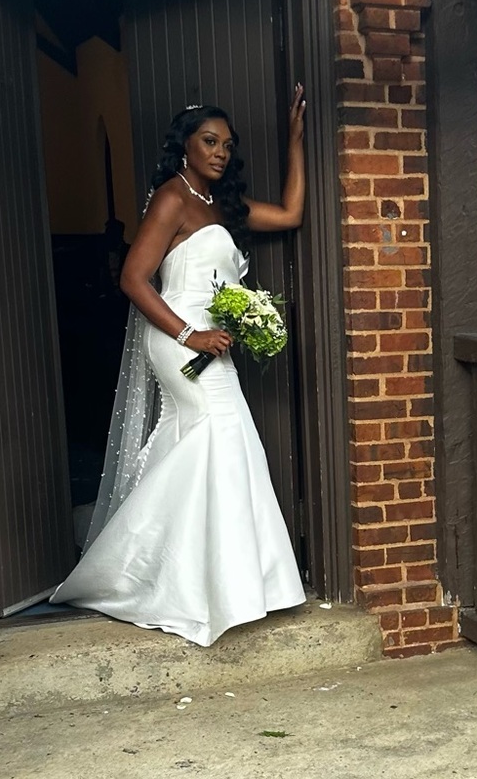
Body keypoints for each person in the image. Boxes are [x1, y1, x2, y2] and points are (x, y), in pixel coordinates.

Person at [49, 85, 308, 646]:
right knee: (223, 435)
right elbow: (132, 279)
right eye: (209, 141)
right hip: (179, 337)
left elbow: (290, 213)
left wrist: (295, 140)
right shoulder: (171, 197)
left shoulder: (222, 206)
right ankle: (210, 586)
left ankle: (197, 574)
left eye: (227, 145)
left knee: (198, 443)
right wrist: (190, 333)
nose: (220, 152)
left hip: (212, 340)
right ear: (185, 145)